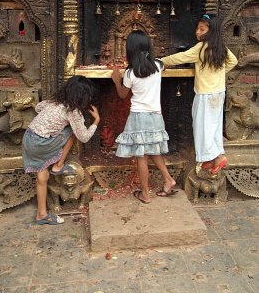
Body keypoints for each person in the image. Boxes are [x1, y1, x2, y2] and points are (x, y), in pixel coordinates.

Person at [161, 15, 238, 174]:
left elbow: (180, 57)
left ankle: (214, 158)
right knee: (214, 126)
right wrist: (219, 74)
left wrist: (160, 61)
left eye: (202, 29)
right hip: (218, 92)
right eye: (197, 28)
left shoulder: (201, 48)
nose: (198, 32)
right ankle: (214, 157)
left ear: (211, 30)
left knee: (203, 127)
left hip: (205, 94)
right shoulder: (221, 46)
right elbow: (234, 61)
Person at [22, 76, 100, 225]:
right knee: (72, 130)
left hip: (29, 139)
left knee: (42, 176)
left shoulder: (54, 101)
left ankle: (41, 214)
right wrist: (96, 120)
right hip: (41, 144)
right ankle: (58, 165)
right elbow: (83, 137)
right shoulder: (73, 112)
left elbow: (38, 107)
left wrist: (51, 120)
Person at [111, 30, 176, 204]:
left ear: (130, 50)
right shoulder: (158, 65)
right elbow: (163, 65)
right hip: (156, 115)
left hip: (139, 117)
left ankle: (145, 194)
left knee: (141, 157)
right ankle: (169, 180)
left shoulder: (130, 73)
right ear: (148, 46)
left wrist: (116, 80)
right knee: (152, 150)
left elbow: (123, 94)